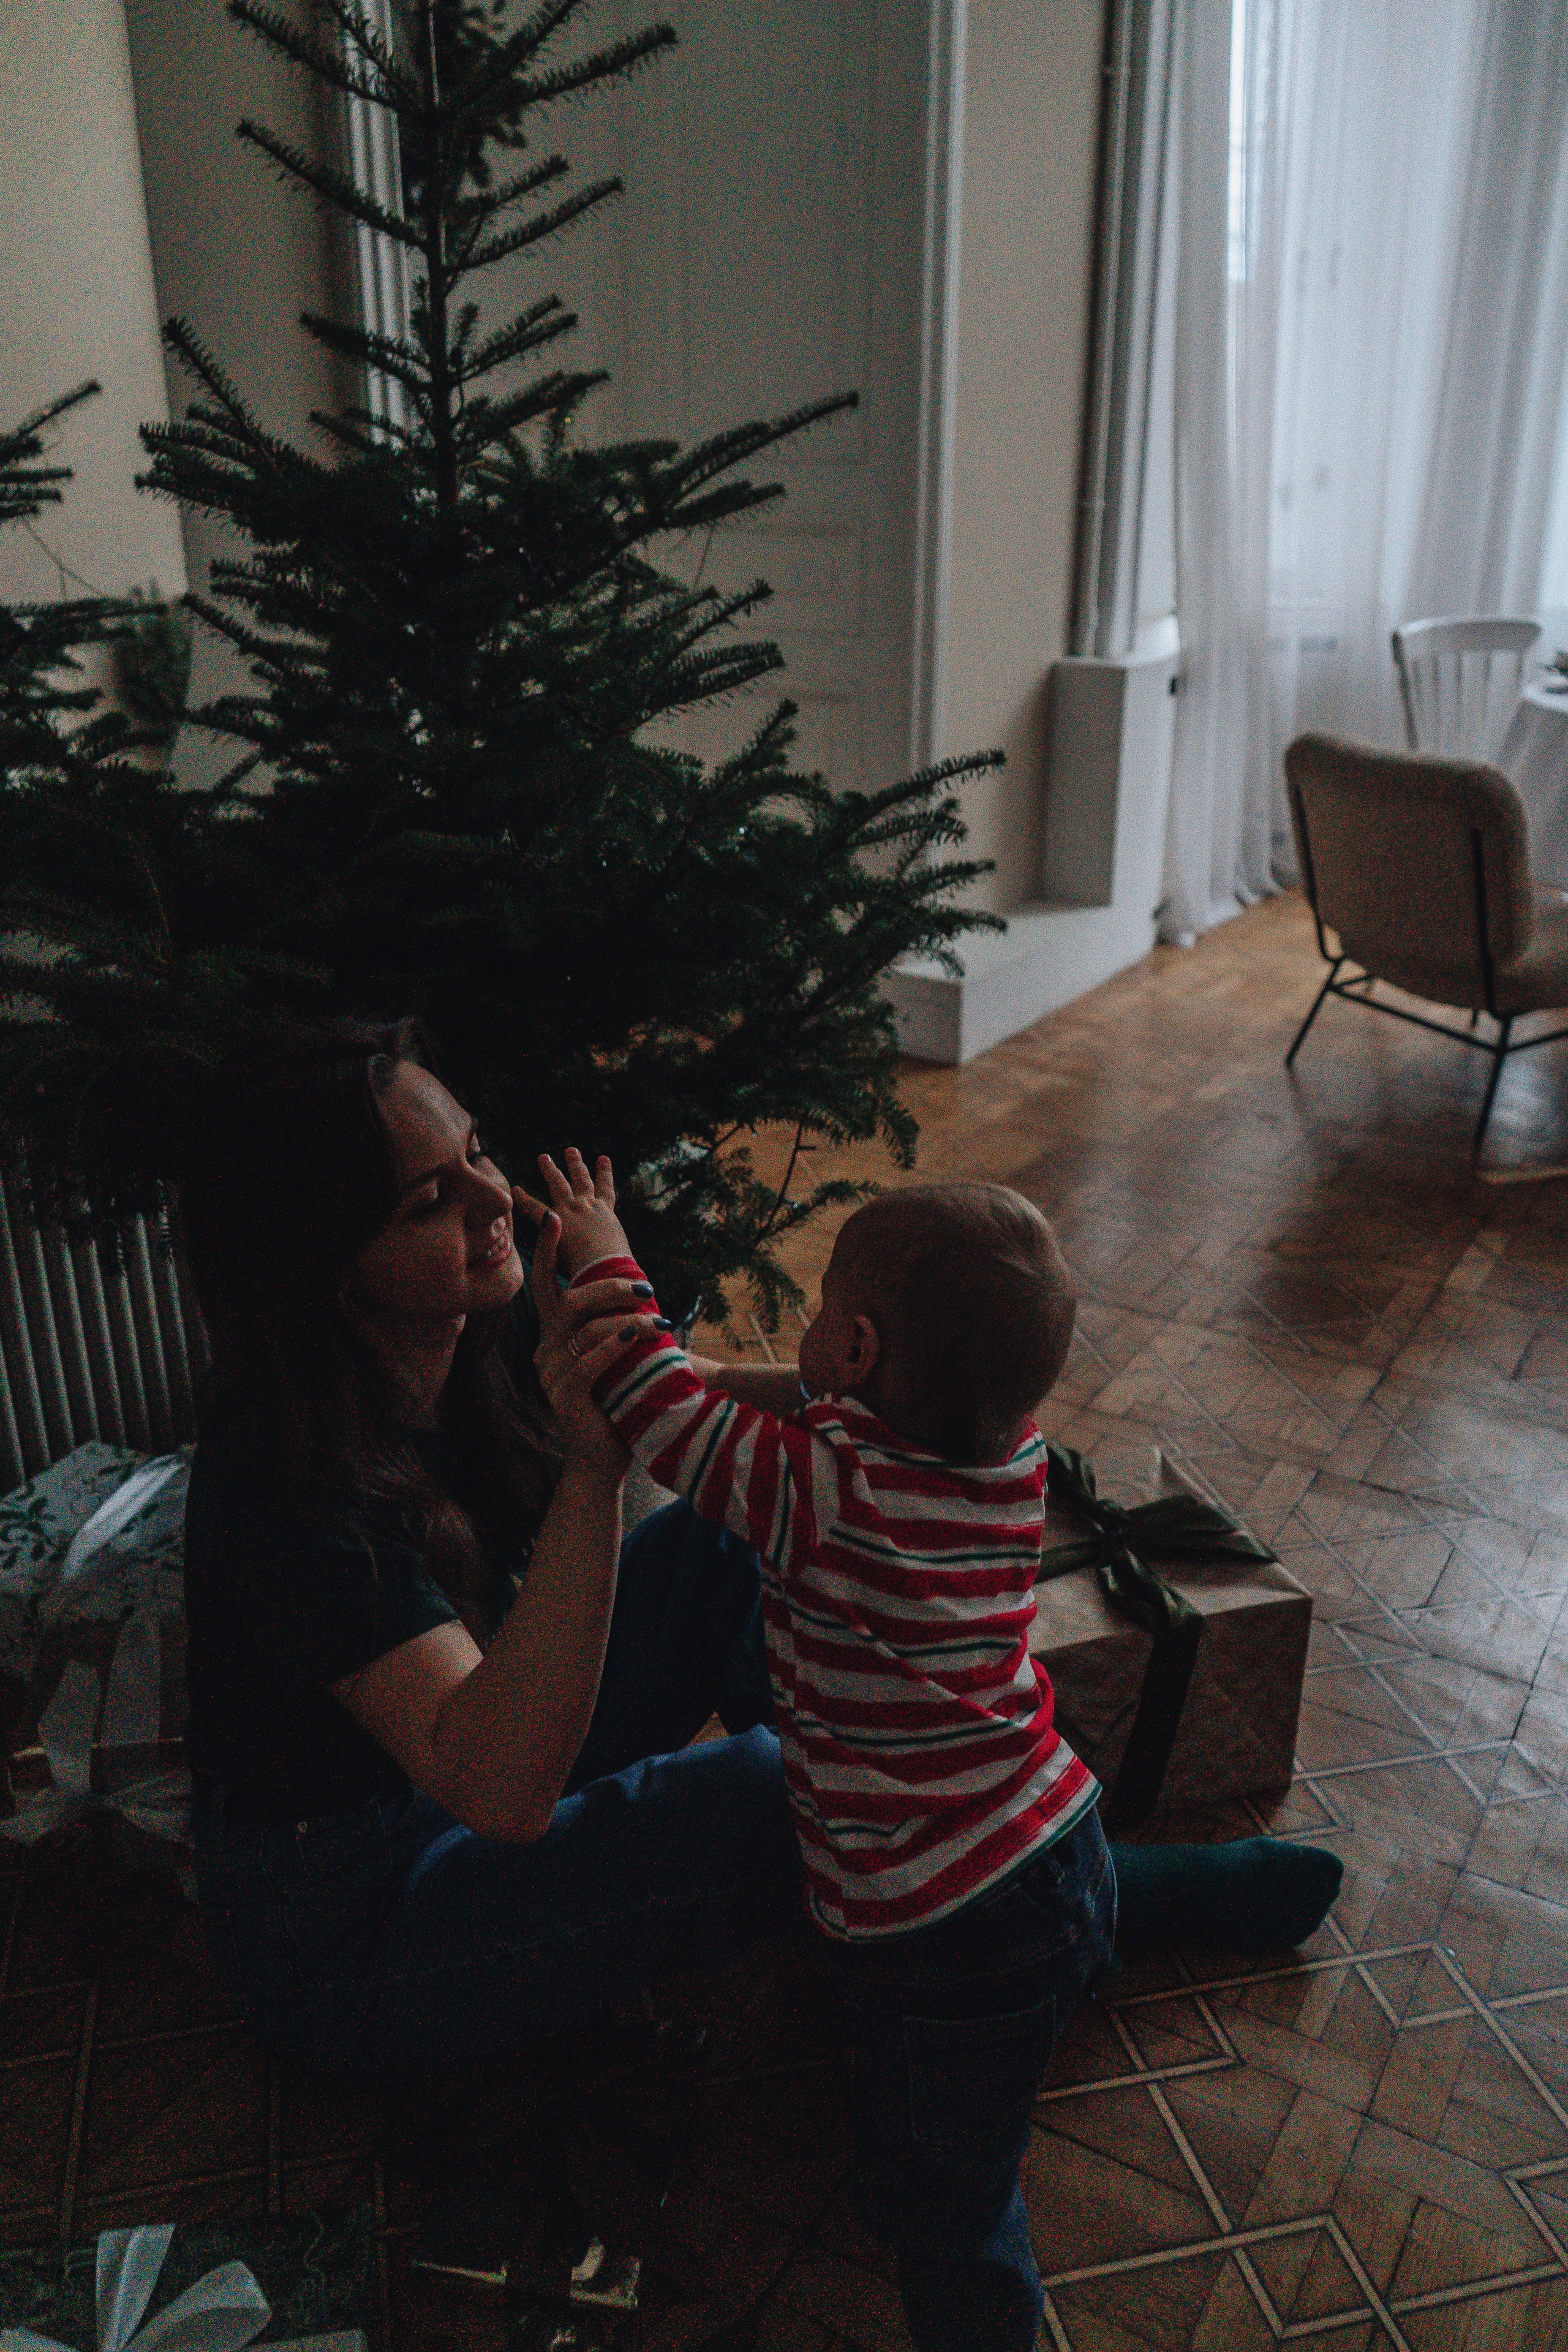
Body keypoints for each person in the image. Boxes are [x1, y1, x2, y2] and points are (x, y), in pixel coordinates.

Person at [176, 1020, 1340, 2141]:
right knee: (773, 1788)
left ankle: (971, 1888)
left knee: (743, 1537)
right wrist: (592, 1475)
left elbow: (692, 1391)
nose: (492, 1200)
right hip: (359, 1922)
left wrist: (931, 1420)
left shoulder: (464, 1327)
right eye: (431, 1200)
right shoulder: (283, 1491)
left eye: (475, 1151)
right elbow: (502, 1791)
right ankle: (1049, 1911)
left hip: (467, 1751)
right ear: (326, 1264)